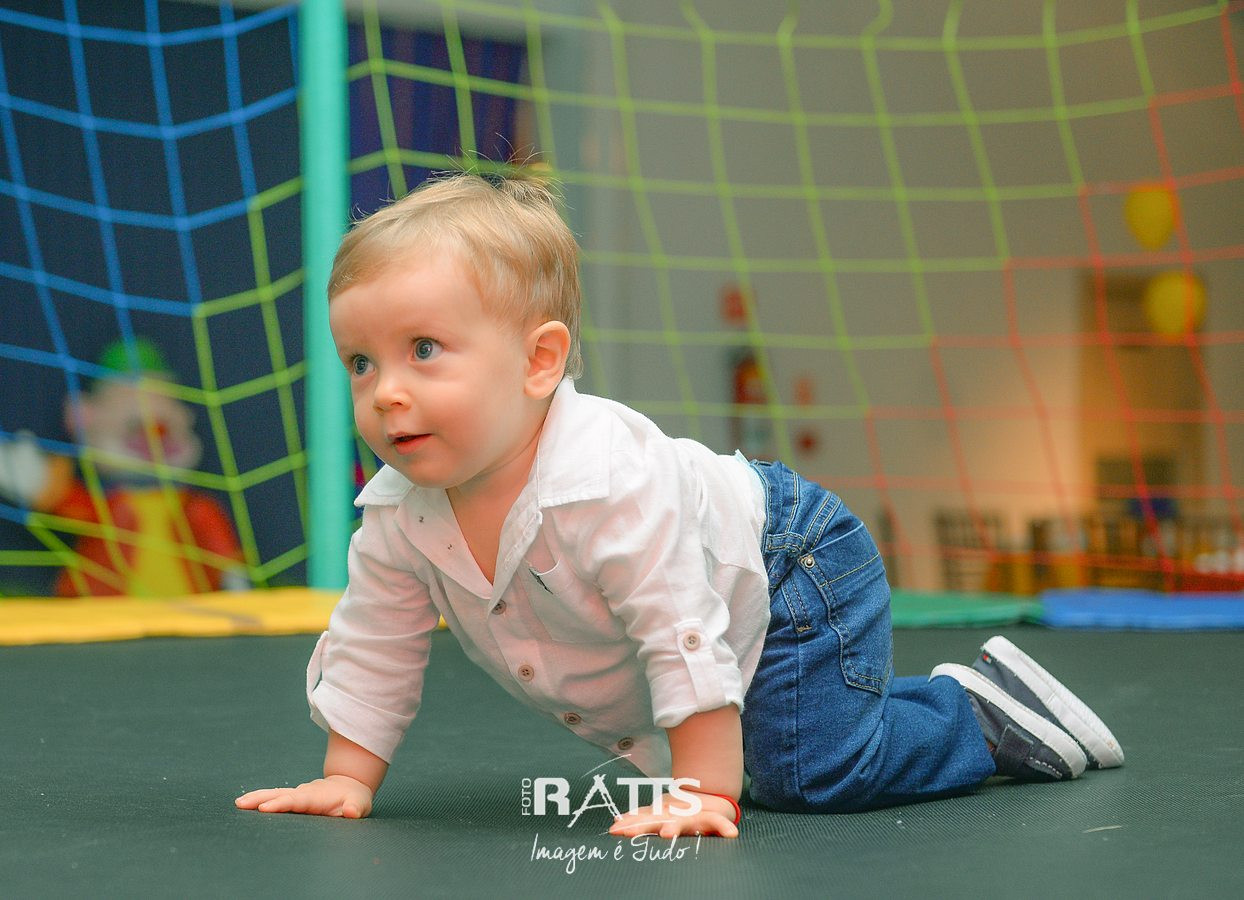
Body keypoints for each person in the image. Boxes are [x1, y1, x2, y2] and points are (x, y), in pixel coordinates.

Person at [235, 172, 1122, 837]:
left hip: (792, 558)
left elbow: (679, 626)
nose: (386, 391)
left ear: (540, 362)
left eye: (424, 349)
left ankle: (977, 715)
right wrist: (348, 776)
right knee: (779, 750)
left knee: (809, 775)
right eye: (362, 362)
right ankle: (878, 709)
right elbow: (375, 643)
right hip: (735, 584)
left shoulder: (603, 483)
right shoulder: (398, 514)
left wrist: (700, 791)